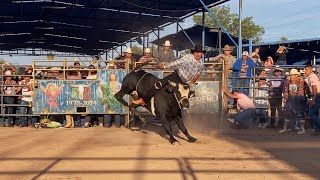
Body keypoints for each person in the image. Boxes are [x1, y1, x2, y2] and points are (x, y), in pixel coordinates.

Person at [132, 44, 205, 105]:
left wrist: (191, 83)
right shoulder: (189, 57)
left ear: (201, 54)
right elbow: (177, 62)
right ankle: (144, 100)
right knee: (159, 84)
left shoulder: (201, 65)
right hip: (176, 76)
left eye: (200, 53)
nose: (198, 54)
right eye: (197, 52)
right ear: (194, 53)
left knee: (181, 99)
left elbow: (196, 75)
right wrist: (165, 66)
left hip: (184, 82)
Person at [279, 69, 308, 134]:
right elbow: (285, 90)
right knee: (288, 113)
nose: (291, 76)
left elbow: (306, 89)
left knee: (300, 114)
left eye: (292, 75)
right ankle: (285, 127)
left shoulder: (302, 81)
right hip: (291, 99)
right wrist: (286, 98)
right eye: (290, 75)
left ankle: (302, 128)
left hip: (300, 99)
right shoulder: (288, 81)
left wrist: (308, 98)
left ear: (296, 75)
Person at [210, 44, 236, 112]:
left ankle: (229, 104)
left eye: (227, 50)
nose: (226, 52)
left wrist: (229, 68)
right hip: (220, 75)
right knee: (218, 88)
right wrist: (220, 55)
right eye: (225, 50)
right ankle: (219, 102)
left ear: (230, 51)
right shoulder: (221, 57)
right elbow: (213, 59)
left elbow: (234, 67)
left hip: (229, 75)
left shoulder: (233, 58)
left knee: (229, 88)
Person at [304, 65, 320, 135]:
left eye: (306, 70)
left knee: (312, 113)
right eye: (305, 69)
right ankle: (317, 130)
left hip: (317, 95)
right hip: (317, 95)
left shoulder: (312, 77)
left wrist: (313, 99)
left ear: (311, 70)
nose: (305, 71)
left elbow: (314, 88)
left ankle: (318, 128)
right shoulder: (312, 76)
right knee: (314, 113)